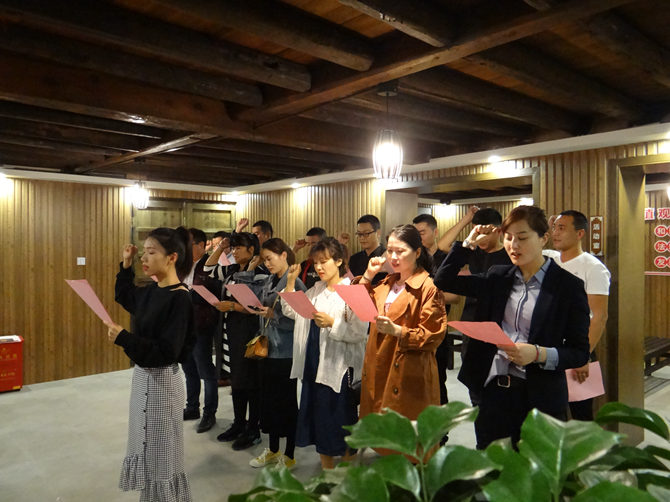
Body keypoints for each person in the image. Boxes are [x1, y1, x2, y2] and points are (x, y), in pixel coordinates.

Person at [434, 205, 590, 449]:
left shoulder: (567, 286)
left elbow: (579, 352)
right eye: (508, 238)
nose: (514, 245)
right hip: (494, 391)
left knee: (536, 463)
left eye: (522, 238)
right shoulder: (498, 276)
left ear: (543, 239)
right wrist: (468, 244)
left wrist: (538, 353)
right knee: (491, 460)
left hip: (540, 397)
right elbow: (443, 280)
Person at [104, 227, 195, 502]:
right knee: (145, 448)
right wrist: (126, 263)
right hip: (143, 379)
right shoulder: (152, 290)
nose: (144, 257)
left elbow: (166, 352)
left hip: (162, 383)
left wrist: (124, 338)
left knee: (161, 453)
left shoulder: (180, 298)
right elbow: (124, 294)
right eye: (143, 251)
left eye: (151, 252)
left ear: (172, 258)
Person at [282, 237, 368, 469]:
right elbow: (292, 311)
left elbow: (361, 332)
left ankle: (347, 473)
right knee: (319, 420)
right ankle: (328, 470)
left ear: (339, 261)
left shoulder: (354, 291)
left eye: (324, 261)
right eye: (316, 262)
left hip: (338, 368)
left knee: (341, 421)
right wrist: (290, 282)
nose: (319, 267)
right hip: (313, 363)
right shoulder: (316, 289)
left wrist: (332, 323)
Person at [355, 225, 447, 426]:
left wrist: (397, 331)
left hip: (406, 368)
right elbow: (358, 305)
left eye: (400, 251)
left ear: (417, 252)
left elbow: (433, 335)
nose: (393, 257)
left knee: (405, 430)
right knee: (380, 426)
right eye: (390, 251)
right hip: (379, 363)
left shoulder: (428, 288)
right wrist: (368, 275)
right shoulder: (387, 282)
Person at [438, 207, 512, 406]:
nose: (481, 237)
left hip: (499, 323)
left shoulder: (509, 254)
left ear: (498, 231)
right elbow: (443, 245)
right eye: (477, 231)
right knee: (474, 381)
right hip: (472, 321)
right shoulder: (474, 252)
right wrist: (468, 224)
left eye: (486, 232)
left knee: (498, 383)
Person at [545, 210, 610, 421]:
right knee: (550, 412)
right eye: (554, 228)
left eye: (562, 228)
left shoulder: (594, 268)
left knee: (581, 414)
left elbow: (599, 316)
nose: (555, 233)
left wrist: (583, 356)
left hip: (578, 346)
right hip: (549, 346)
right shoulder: (549, 258)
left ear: (580, 233)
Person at [205, 232, 266, 449]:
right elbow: (208, 268)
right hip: (229, 330)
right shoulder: (231, 269)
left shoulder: (260, 271)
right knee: (236, 381)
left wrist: (232, 306)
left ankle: (253, 429)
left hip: (249, 333)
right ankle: (239, 423)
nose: (235, 251)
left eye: (239, 247)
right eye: (234, 247)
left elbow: (257, 306)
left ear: (252, 250)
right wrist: (221, 248)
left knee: (251, 383)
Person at [249, 238, 307, 469]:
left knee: (287, 404)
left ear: (284, 255)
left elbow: (303, 320)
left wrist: (274, 317)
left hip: (286, 353)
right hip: (269, 350)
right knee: (270, 403)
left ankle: (289, 454)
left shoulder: (296, 283)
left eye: (270, 259)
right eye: (265, 260)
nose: (268, 264)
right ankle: (273, 449)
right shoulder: (270, 280)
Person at [182, 228, 220, 433]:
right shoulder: (183, 265)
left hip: (202, 324)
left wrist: (191, 294)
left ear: (200, 245)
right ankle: (192, 407)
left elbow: (215, 293)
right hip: (184, 325)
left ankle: (209, 413)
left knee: (205, 370)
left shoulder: (210, 265)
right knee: (189, 369)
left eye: (188, 244)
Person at [348, 214, 387, 285]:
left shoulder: (386, 257)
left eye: (366, 233)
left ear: (378, 232)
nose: (362, 238)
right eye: (359, 234)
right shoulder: (354, 259)